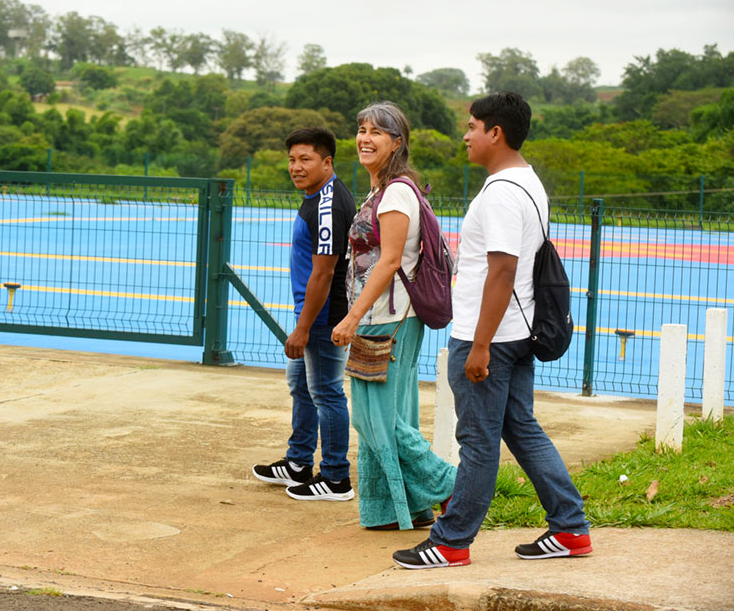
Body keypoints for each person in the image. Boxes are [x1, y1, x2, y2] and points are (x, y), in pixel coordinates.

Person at [393, 92, 591, 569]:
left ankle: (452, 540)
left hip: (492, 338)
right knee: (520, 428)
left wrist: (479, 346)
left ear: (495, 133)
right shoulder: (528, 182)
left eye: (472, 126)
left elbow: (502, 270)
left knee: (478, 440)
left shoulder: (501, 192)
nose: (465, 135)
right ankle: (570, 528)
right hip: (517, 330)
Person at [331, 102, 456, 529]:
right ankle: (398, 509)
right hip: (379, 317)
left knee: (373, 416)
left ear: (396, 143)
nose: (365, 138)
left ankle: (452, 485)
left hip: (391, 317)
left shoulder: (397, 193)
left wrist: (352, 318)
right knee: (388, 415)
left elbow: (387, 263)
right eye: (361, 129)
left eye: (377, 133)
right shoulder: (379, 192)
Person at [252, 127, 357, 501]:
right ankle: (298, 463)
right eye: (292, 160)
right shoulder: (315, 196)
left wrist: (303, 328)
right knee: (301, 385)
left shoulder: (327, 204)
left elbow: (325, 271)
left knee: (327, 393)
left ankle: (335, 478)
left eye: (305, 159)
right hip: (312, 314)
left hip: (323, 317)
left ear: (326, 162)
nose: (296, 167)